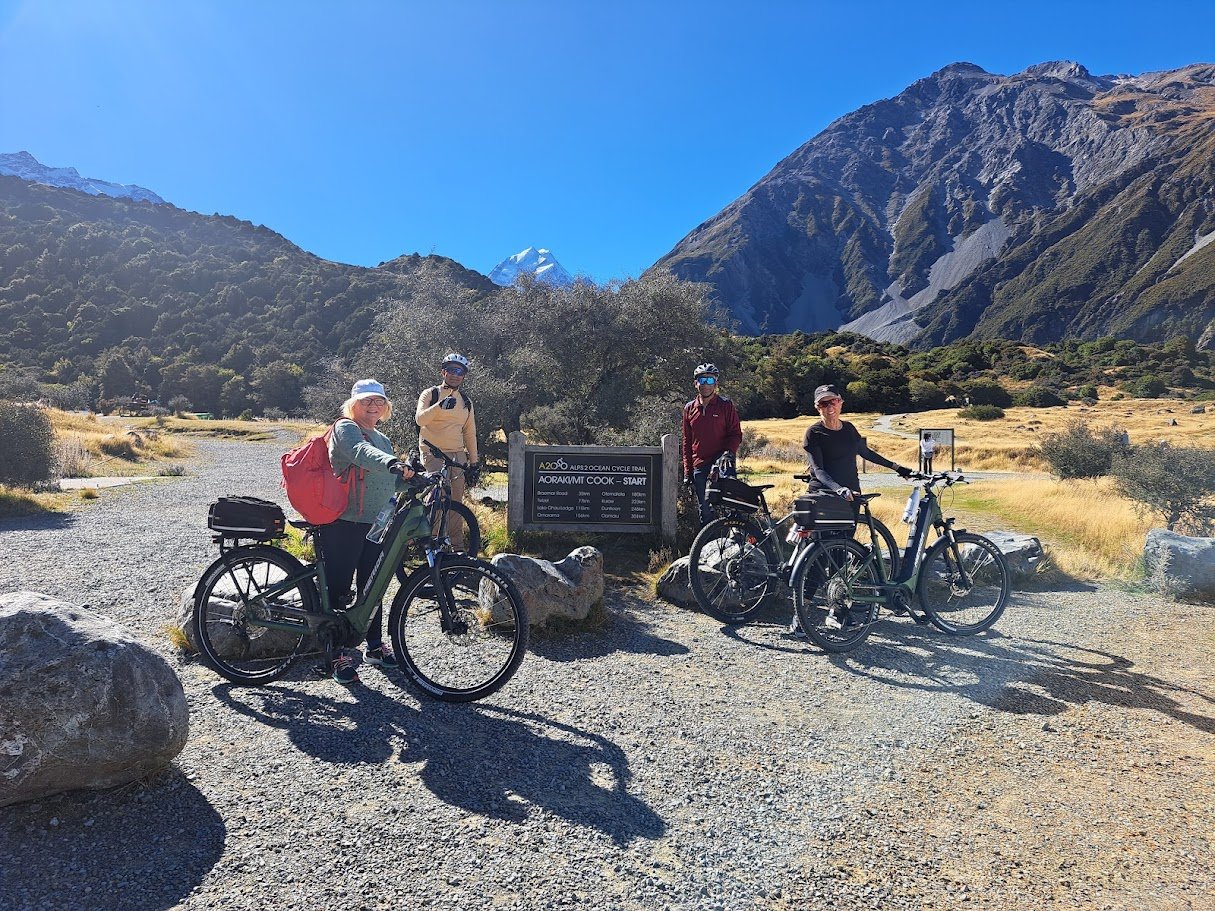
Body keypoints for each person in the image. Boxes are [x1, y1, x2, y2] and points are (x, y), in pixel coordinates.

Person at [316, 379, 414, 684]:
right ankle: (336, 654)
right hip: (345, 521)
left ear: (385, 407)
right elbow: (360, 453)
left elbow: (389, 480)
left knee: (374, 586)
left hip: (376, 524)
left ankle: (374, 647)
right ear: (353, 404)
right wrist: (392, 462)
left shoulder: (382, 437)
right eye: (366, 401)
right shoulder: (345, 428)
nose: (373, 406)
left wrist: (413, 476)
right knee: (340, 588)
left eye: (378, 401)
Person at [799, 384, 913, 631]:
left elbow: (865, 452)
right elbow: (817, 469)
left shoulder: (849, 429)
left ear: (841, 402)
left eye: (832, 402)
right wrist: (838, 488)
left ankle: (836, 611)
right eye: (823, 404)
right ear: (817, 407)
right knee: (819, 557)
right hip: (825, 498)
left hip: (850, 500)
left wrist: (896, 467)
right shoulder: (813, 433)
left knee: (840, 557)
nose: (829, 408)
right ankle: (800, 614)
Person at [415, 353, 479, 550]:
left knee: (456, 504)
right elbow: (420, 419)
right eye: (451, 370)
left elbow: (470, 432)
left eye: (459, 371)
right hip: (433, 453)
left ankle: (457, 549)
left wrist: (474, 462)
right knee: (437, 498)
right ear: (443, 372)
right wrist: (440, 406)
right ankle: (430, 546)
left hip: (457, 455)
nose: (455, 374)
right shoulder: (430, 394)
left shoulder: (466, 401)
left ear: (464, 376)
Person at [681, 363, 743, 526]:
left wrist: (729, 452)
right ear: (696, 383)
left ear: (716, 383)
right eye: (702, 380)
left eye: (710, 380)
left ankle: (737, 541)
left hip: (722, 461)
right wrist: (687, 471)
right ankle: (707, 547)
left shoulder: (725, 405)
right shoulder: (689, 409)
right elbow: (687, 442)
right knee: (705, 509)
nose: (706, 384)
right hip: (699, 464)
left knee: (730, 503)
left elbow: (735, 433)